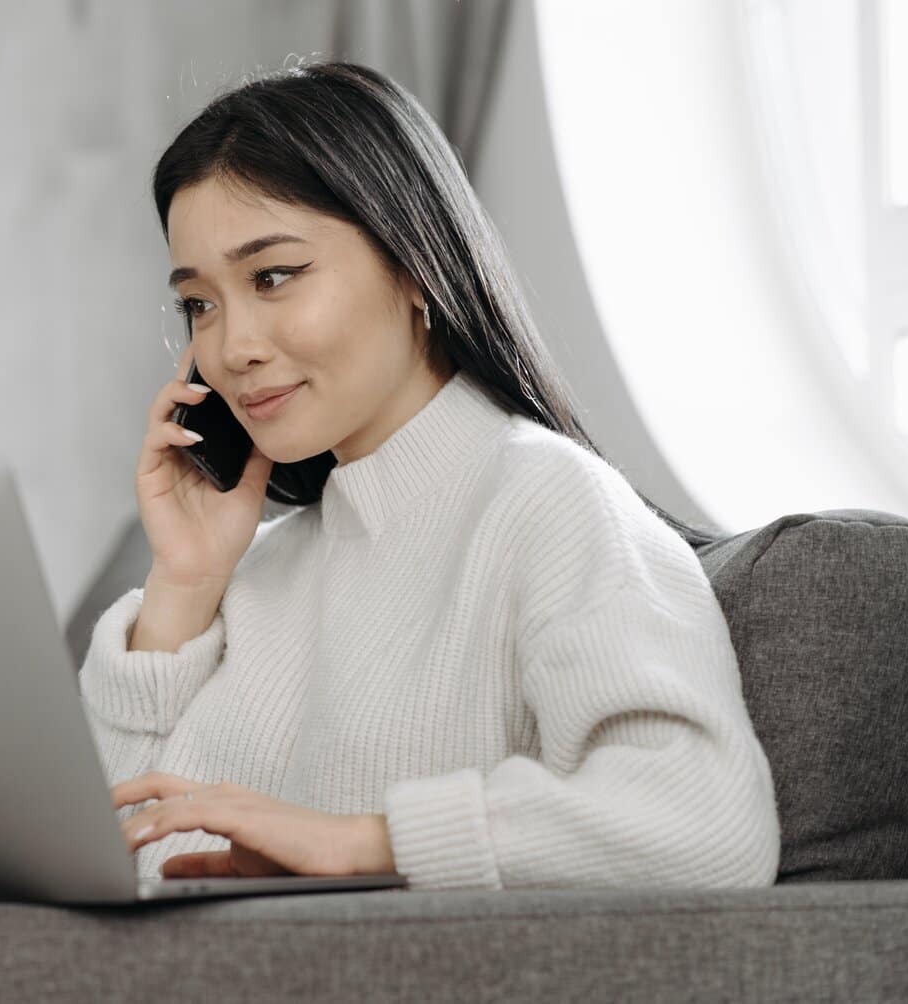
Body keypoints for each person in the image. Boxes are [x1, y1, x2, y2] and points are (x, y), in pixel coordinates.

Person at [79, 58, 781, 890]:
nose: (231, 348)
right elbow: (106, 873)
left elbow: (706, 825)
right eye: (200, 303)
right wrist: (183, 589)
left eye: (273, 276)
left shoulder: (546, 503)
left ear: (414, 268)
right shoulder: (251, 574)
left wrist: (366, 844)